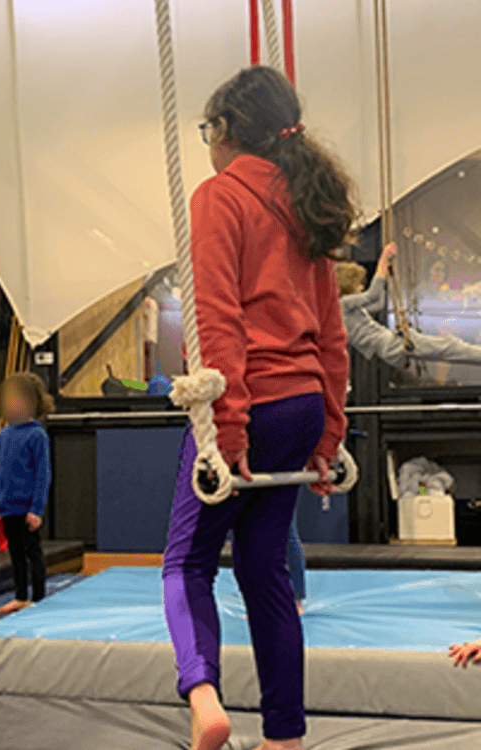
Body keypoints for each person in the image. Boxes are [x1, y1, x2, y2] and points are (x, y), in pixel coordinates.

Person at [162, 67, 352, 750]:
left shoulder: (219, 197)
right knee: (263, 566)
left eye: (208, 130)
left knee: (185, 563)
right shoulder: (309, 204)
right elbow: (332, 337)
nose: (207, 145)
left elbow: (217, 318)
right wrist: (330, 431)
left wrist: (227, 427)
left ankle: (204, 695)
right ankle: (285, 736)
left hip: (249, 402)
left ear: (227, 132)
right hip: (302, 404)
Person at [338, 242, 481, 368]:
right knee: (450, 346)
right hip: (392, 344)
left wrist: (388, 275)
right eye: (358, 285)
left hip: (391, 344)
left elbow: (379, 303)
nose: (361, 288)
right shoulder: (343, 304)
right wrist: (383, 261)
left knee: (449, 346)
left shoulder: (349, 311)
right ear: (348, 285)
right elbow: (373, 295)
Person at [0, 373, 53, 615]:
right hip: (8, 505)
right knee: (15, 553)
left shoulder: (37, 435)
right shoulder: (4, 435)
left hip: (27, 507)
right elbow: (1, 471)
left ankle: (37, 598)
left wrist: (36, 509)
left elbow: (42, 475)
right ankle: (19, 596)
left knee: (32, 552)